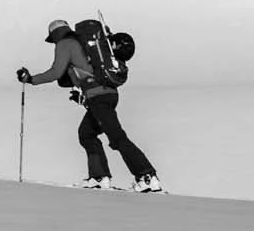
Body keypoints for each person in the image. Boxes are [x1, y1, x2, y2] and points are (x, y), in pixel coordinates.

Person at [18, 19, 159, 192]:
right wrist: (84, 96)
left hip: (98, 96)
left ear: (55, 34)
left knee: (117, 137)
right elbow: (84, 73)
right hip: (107, 94)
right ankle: (99, 177)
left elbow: (55, 72)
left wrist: (31, 79)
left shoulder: (65, 43)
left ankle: (146, 176)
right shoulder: (83, 44)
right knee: (86, 133)